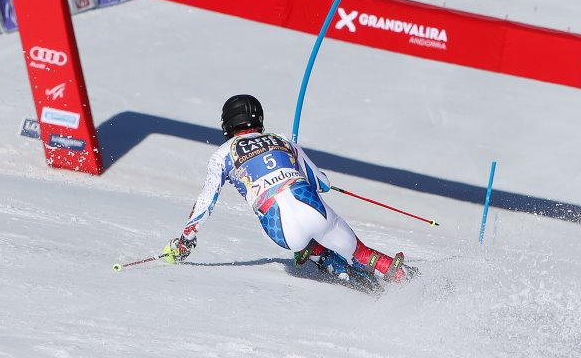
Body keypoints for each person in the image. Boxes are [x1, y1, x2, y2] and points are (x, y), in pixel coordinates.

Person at [162, 95, 416, 285]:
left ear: (227, 125)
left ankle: (322, 256)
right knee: (361, 252)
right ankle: (408, 281)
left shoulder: (222, 155)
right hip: (318, 213)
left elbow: (206, 201)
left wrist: (185, 241)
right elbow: (322, 183)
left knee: (294, 234)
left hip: (280, 231)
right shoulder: (283, 140)